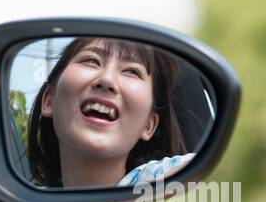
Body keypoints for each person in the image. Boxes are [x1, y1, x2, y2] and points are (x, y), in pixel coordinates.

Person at [25, 36, 194, 188]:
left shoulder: (163, 181)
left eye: (131, 71)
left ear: (148, 126)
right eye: (91, 60)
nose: (107, 80)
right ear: (49, 101)